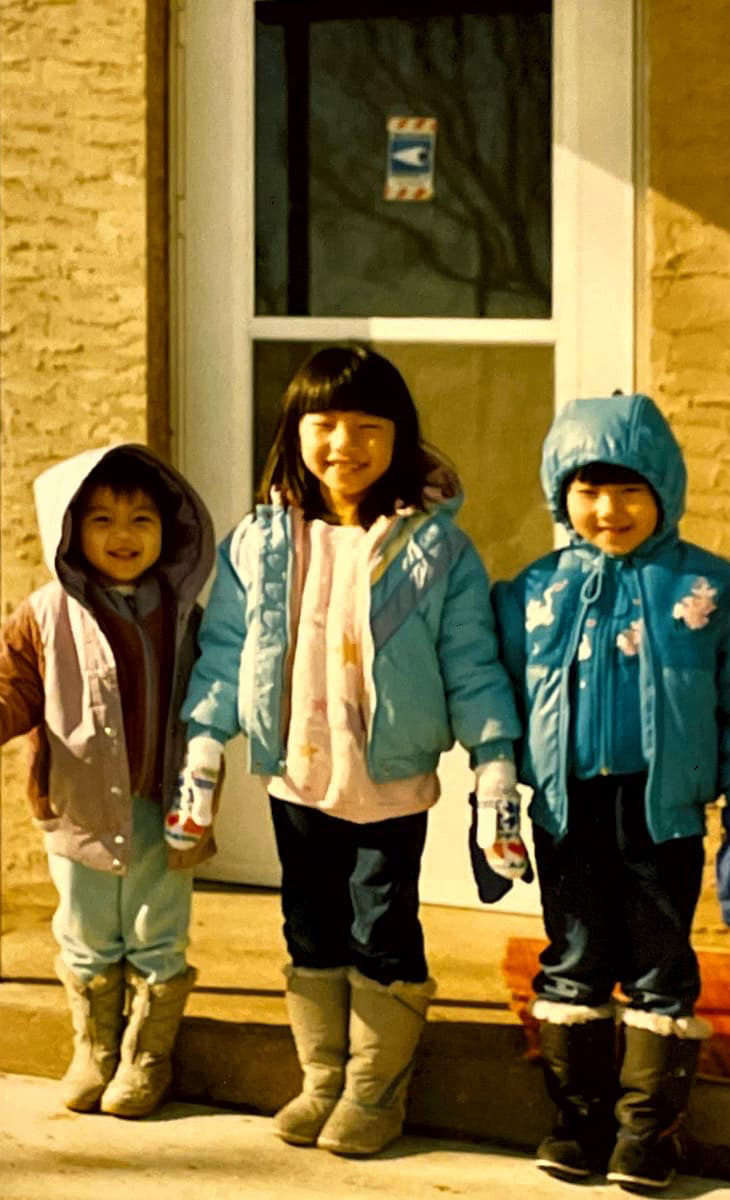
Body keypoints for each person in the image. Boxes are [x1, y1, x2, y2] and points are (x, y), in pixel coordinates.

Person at [177, 344, 523, 1157]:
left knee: (383, 929)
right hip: (297, 779)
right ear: (294, 432)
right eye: (325, 424)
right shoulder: (259, 543)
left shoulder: (438, 549)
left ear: (400, 436)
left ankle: (375, 1090)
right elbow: (227, 650)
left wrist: (495, 762)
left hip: (389, 784)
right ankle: (322, 1078)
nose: (345, 444)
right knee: (309, 926)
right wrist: (204, 742)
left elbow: (472, 662)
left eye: (369, 426)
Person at [493, 393, 730, 1191]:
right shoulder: (533, 594)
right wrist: (496, 804)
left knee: (659, 964)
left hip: (663, 814)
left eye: (629, 490)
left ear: (664, 492)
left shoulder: (719, 594)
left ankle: (647, 1132)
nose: (609, 510)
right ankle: (578, 1122)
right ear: (562, 495)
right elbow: (498, 704)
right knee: (574, 957)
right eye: (588, 490)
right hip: (566, 810)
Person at [0, 444, 215, 1119]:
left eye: (141, 520)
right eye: (102, 519)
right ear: (69, 530)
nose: (123, 535)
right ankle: (95, 1048)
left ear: (169, 530)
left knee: (157, 930)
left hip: (165, 806)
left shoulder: (185, 612)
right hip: (79, 806)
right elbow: (5, 689)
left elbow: (221, 692)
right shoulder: (44, 614)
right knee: (85, 929)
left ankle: (147, 1055)